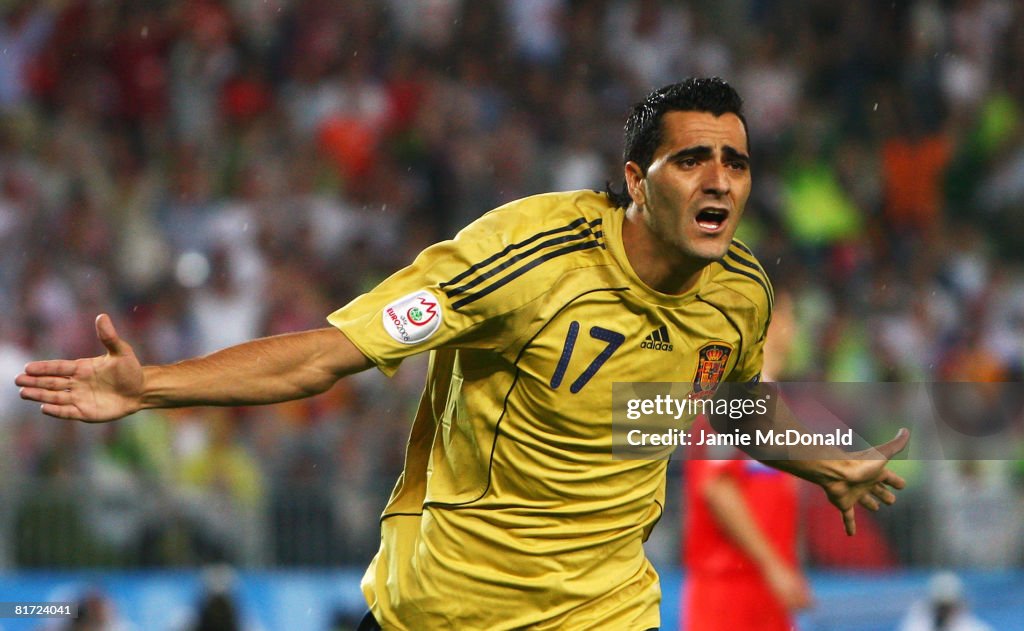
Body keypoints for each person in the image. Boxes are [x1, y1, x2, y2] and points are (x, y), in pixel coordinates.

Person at [17, 78, 908, 630]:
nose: (720, 179)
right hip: (447, 610)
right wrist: (154, 388)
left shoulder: (741, 290)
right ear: (636, 181)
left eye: (736, 162)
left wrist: (825, 461)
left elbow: (734, 399)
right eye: (692, 160)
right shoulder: (525, 259)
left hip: (604, 613)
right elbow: (329, 355)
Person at [681, 291, 814, 631]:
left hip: (763, 591)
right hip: (727, 592)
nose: (793, 328)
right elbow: (717, 487)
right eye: (787, 316)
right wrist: (774, 567)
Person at [897, 572, 993, 631]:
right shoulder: (916, 623)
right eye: (940, 607)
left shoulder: (974, 628)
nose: (943, 612)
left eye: (947, 607)